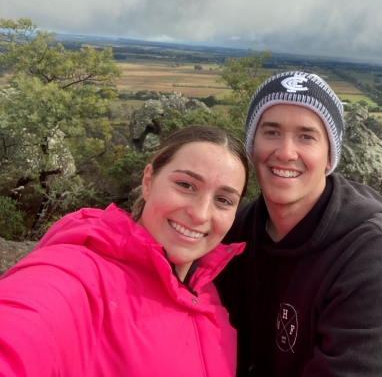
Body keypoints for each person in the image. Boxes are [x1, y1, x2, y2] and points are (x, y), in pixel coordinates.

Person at [215, 71, 382, 376]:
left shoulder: (377, 259)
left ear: (329, 157)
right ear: (251, 147)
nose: (286, 152)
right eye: (271, 132)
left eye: (306, 136)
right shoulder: (233, 232)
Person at [0, 125, 249, 376]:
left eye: (224, 200)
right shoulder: (84, 278)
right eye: (186, 185)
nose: (200, 214)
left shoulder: (206, 290)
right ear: (148, 181)